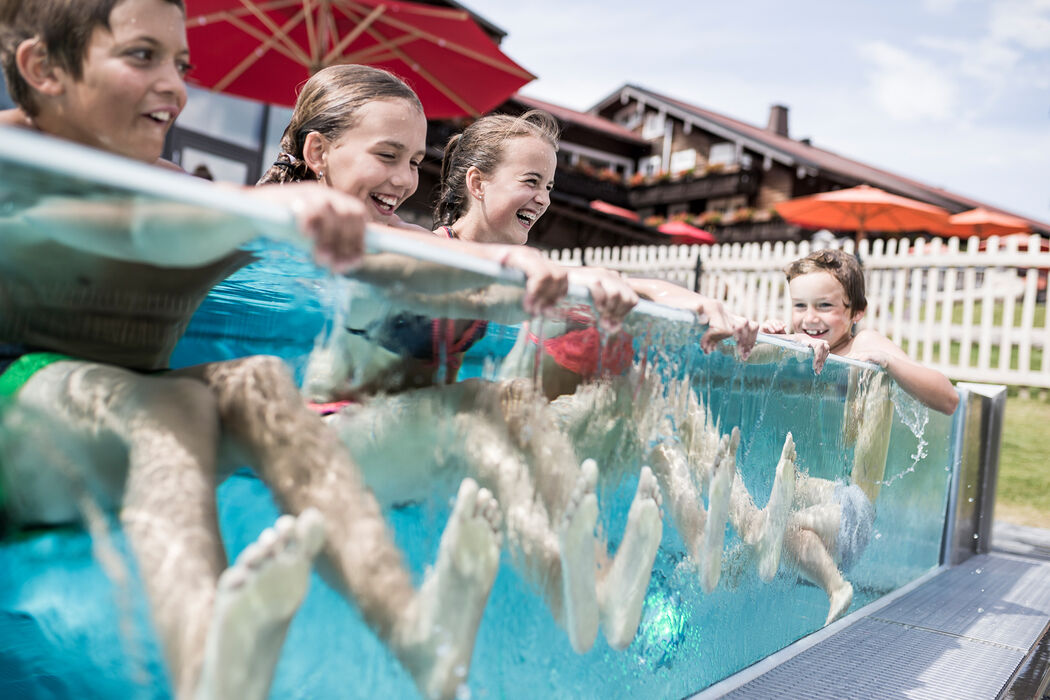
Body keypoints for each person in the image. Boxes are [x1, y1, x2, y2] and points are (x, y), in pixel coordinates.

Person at [0, 3, 545, 698]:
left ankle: (414, 633)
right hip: (21, 413)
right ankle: (208, 674)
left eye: (182, 65)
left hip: (103, 411)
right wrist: (263, 211)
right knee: (171, 409)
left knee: (254, 380)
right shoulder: (13, 157)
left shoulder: (181, 187)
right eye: (143, 57)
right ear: (43, 68)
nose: (175, 85)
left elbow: (402, 266)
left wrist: (536, 280)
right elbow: (135, 232)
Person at [757, 248, 959, 623]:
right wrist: (765, 336)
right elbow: (741, 356)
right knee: (764, 506)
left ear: (856, 312)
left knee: (785, 528)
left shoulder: (865, 346)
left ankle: (837, 588)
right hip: (830, 494)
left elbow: (948, 399)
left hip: (854, 511)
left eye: (825, 306)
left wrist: (890, 363)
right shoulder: (799, 342)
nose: (810, 317)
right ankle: (746, 562)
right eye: (799, 305)